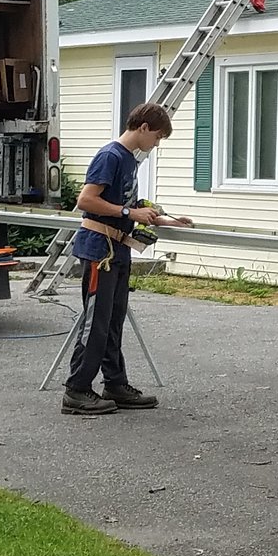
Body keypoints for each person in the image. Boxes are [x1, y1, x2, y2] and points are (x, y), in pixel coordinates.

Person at [61, 102, 190, 416]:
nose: (156, 144)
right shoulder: (110, 156)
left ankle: (115, 383)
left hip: (118, 249)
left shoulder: (130, 161)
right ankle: (77, 390)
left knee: (113, 320)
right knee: (96, 322)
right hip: (99, 250)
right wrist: (129, 212)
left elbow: (127, 202)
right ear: (143, 127)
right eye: (157, 137)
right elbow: (87, 200)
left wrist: (161, 218)